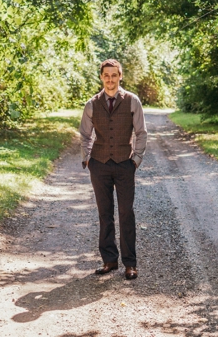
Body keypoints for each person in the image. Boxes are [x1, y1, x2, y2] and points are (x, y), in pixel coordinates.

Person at [79, 59, 148, 280]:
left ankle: (130, 263)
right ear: (101, 77)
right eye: (106, 75)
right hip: (99, 165)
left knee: (126, 213)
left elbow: (141, 132)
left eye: (114, 75)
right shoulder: (91, 104)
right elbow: (85, 135)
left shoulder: (132, 101)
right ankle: (109, 260)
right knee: (105, 214)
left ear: (120, 76)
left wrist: (136, 159)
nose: (110, 79)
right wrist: (88, 160)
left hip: (125, 164)